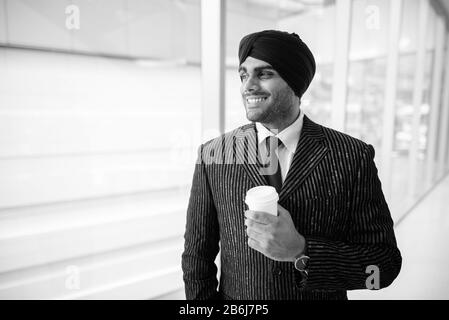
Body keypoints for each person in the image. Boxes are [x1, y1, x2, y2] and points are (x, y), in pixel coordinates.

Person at [182, 30, 402, 300]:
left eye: (264, 74)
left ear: (295, 83)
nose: (247, 85)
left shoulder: (351, 156)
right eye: (243, 74)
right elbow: (196, 257)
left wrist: (302, 251)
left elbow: (384, 267)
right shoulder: (214, 155)